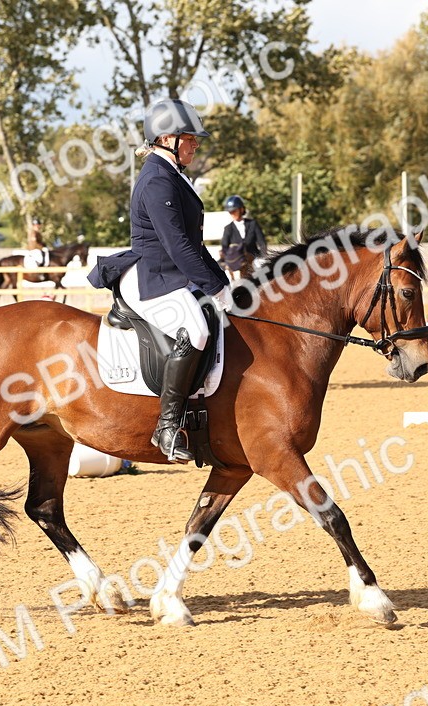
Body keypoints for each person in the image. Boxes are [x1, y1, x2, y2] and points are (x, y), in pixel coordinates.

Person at [88, 98, 232, 462]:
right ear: (167, 137)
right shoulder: (156, 178)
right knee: (196, 330)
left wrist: (223, 283)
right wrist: (214, 288)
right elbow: (177, 244)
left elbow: (194, 245)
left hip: (171, 271)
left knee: (218, 319)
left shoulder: (172, 174)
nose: (196, 145)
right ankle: (167, 426)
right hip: (152, 275)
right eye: (191, 138)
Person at [218, 195, 266, 280]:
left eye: (234, 211)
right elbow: (224, 247)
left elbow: (262, 243)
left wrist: (262, 257)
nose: (232, 214)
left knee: (262, 270)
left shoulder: (253, 224)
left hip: (253, 258)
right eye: (230, 212)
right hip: (236, 260)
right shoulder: (228, 228)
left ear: (241, 209)